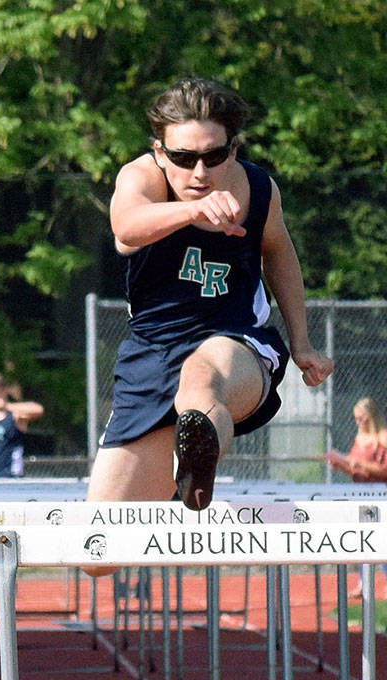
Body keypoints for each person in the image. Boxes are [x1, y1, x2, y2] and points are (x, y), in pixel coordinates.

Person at [86, 77, 334, 536]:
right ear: (160, 152)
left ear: (233, 149)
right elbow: (126, 226)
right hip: (154, 353)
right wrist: (191, 213)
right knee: (102, 548)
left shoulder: (257, 190)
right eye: (183, 158)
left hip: (237, 342)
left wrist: (302, 343)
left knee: (201, 379)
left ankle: (197, 463)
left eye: (213, 156)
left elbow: (278, 251)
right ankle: (182, 454)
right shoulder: (140, 176)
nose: (199, 173)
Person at [324, 397, 387, 598]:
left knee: (383, 540)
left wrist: (358, 464)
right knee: (363, 539)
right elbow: (353, 467)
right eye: (356, 419)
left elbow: (383, 470)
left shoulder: (383, 437)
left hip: (381, 496)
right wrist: (340, 464)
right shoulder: (360, 438)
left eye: (362, 418)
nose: (359, 422)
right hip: (361, 496)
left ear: (372, 417)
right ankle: (363, 582)